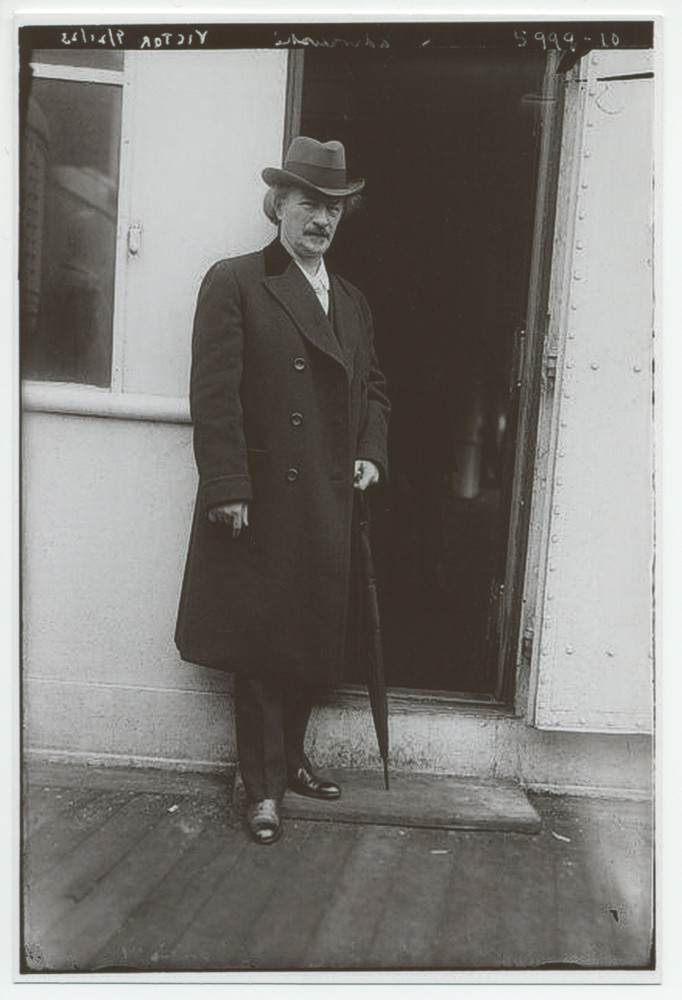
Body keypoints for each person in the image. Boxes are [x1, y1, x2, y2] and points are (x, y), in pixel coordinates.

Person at [175, 136, 390, 844]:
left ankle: (290, 760)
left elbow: (376, 390)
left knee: (308, 641)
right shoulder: (236, 281)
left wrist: (369, 452)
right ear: (279, 206)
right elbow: (214, 395)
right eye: (308, 204)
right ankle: (261, 789)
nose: (321, 219)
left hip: (330, 495)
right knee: (264, 645)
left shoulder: (353, 302)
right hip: (264, 499)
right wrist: (228, 485)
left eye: (333, 208)